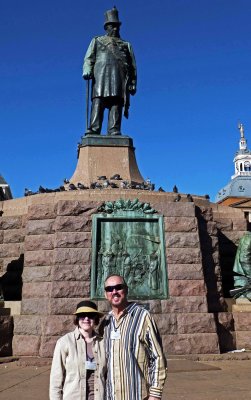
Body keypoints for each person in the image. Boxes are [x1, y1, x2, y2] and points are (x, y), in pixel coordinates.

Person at [101, 274, 167, 400]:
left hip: (137, 394)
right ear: (106, 294)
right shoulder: (105, 322)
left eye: (118, 287)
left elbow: (157, 356)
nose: (114, 292)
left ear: (126, 289)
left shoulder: (143, 317)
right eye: (109, 289)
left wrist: (155, 394)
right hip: (111, 395)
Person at [83, 6, 137, 136]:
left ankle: (114, 129)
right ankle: (94, 128)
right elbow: (89, 58)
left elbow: (132, 66)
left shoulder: (126, 44)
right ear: (106, 28)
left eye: (117, 26)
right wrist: (87, 69)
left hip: (119, 77)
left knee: (116, 102)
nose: (115, 28)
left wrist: (133, 82)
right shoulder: (97, 41)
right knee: (98, 101)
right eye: (112, 26)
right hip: (100, 76)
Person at [49, 300, 106, 400]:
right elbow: (55, 379)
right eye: (82, 315)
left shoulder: (103, 343)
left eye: (91, 315)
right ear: (77, 318)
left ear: (95, 319)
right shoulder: (64, 342)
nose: (86, 319)